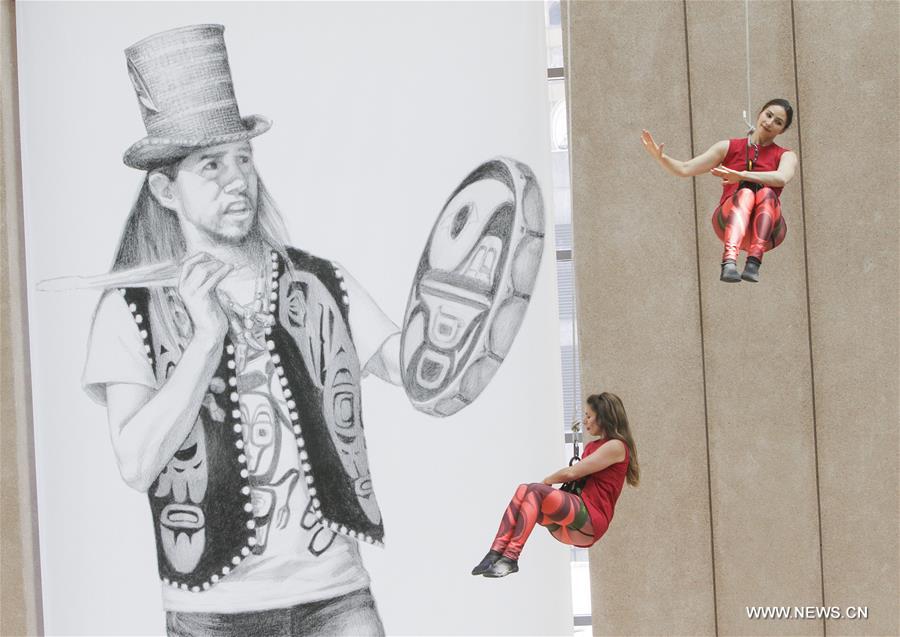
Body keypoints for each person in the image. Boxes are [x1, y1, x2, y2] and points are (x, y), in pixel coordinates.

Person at [83, 25, 401, 636]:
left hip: (338, 599)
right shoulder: (128, 310)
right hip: (212, 615)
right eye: (211, 166)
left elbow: (414, 371)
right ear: (164, 189)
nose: (237, 180)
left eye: (243, 160)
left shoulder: (321, 282)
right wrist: (204, 342)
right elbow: (134, 463)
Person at [471, 392, 639, 578]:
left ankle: (511, 557)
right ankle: (495, 553)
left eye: (589, 416)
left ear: (604, 417)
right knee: (523, 489)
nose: (584, 421)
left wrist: (545, 483)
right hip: (570, 526)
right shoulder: (592, 447)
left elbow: (571, 473)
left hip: (590, 521)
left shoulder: (616, 446)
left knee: (534, 490)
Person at [641, 99, 799, 283]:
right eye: (769, 115)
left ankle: (754, 262)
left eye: (778, 122)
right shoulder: (728, 147)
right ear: (760, 113)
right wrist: (661, 158)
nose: (770, 122)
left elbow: (781, 178)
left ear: (783, 130)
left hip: (767, 231)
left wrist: (742, 176)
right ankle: (729, 262)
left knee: (766, 193)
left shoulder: (786, 155)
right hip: (729, 222)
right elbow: (684, 169)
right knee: (745, 194)